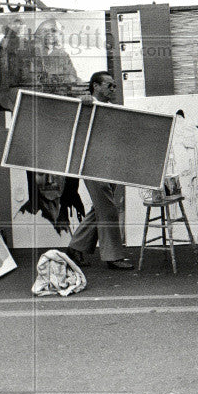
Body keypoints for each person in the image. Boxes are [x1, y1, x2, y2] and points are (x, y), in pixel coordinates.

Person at [64, 72, 134, 270]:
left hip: (109, 164)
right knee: (109, 208)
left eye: (114, 86)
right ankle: (113, 256)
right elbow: (70, 122)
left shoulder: (111, 110)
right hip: (91, 163)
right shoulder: (85, 105)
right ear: (95, 86)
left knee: (101, 208)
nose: (113, 90)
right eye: (109, 86)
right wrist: (82, 101)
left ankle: (75, 247)